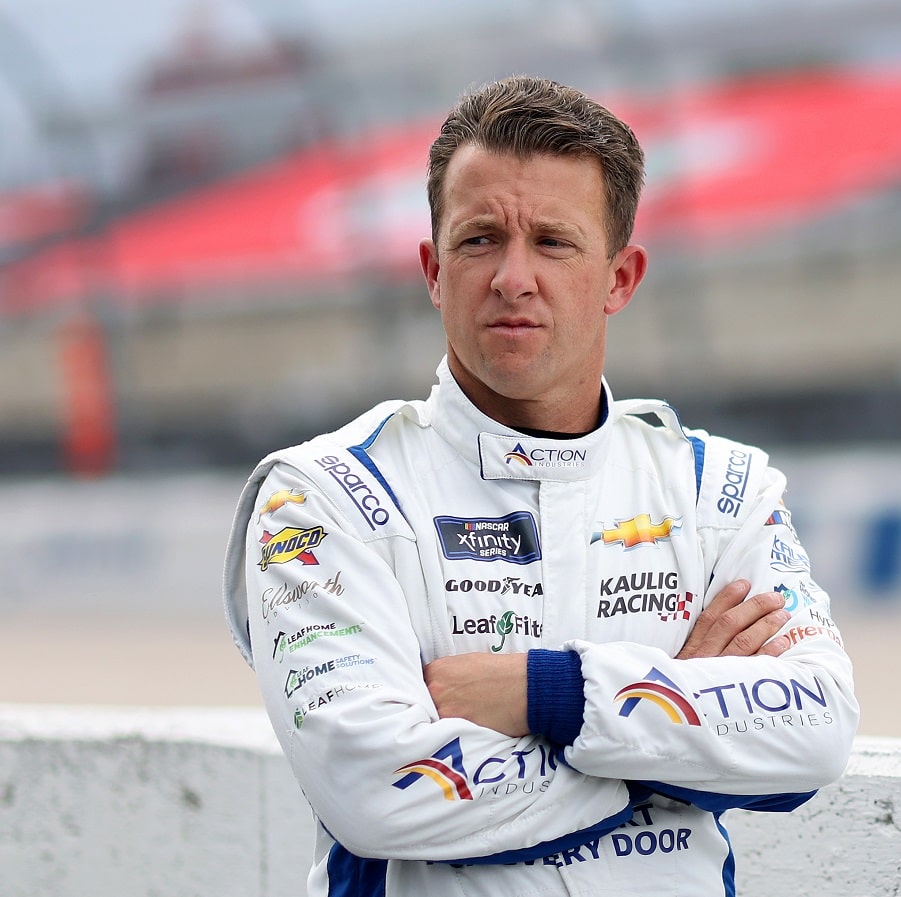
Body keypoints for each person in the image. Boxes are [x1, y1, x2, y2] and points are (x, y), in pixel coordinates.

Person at [222, 75, 857, 897]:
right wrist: (675, 730)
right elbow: (379, 791)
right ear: (433, 270)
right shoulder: (324, 496)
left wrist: (542, 692)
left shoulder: (717, 488)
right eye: (481, 238)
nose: (512, 277)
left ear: (620, 278)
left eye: (553, 242)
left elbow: (813, 731)